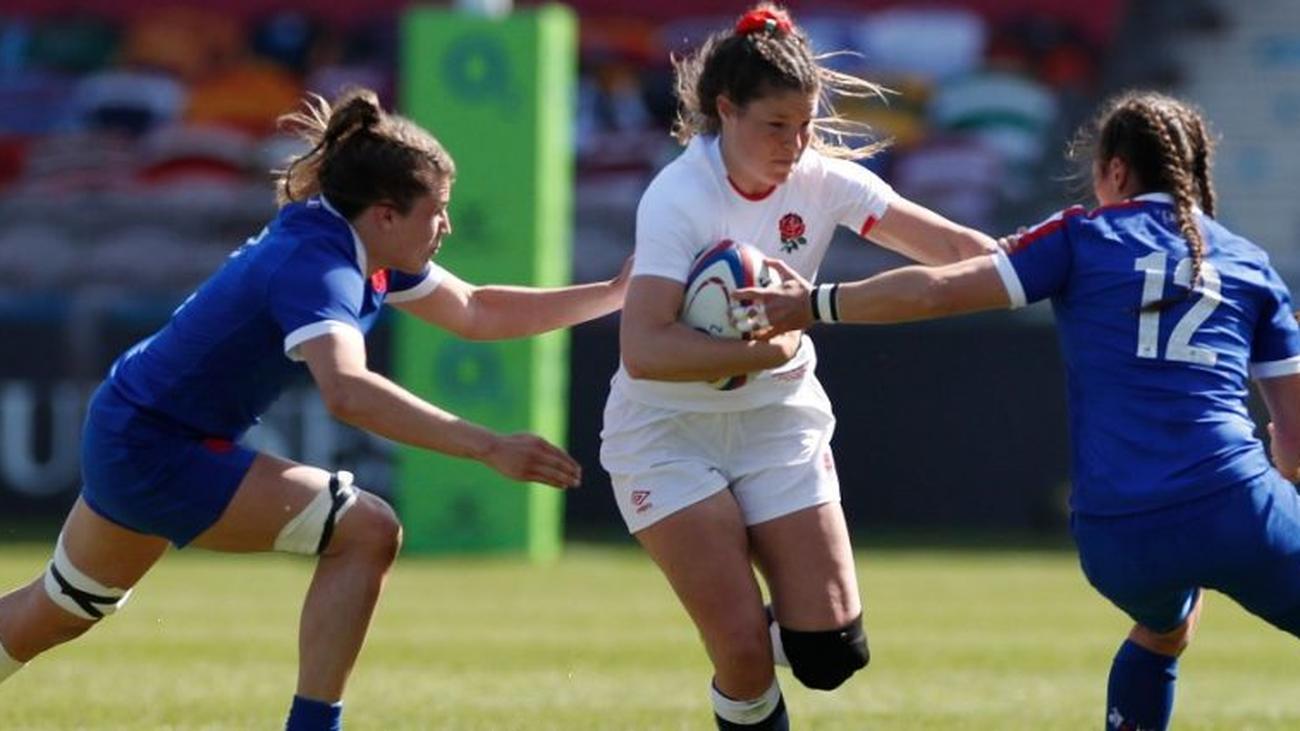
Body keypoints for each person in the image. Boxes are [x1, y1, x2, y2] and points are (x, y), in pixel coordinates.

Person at [0, 87, 629, 730]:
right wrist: (489, 445)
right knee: (367, 530)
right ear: (385, 214)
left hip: (130, 424)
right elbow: (347, 391)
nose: (447, 226)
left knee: (61, 608)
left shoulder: (352, 240)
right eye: (437, 210)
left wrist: (614, 293)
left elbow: (477, 310)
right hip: (156, 447)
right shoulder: (320, 264)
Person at [737, 90, 1300, 731]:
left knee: (1164, 623)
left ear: (1115, 171)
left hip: (1117, 536)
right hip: (1233, 504)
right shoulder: (1251, 265)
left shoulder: (1080, 237)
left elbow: (937, 290)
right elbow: (1295, 447)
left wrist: (815, 302)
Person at [601, 5, 996, 729]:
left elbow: (949, 245)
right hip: (667, 434)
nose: (796, 143)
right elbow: (644, 348)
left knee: (832, 654)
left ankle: (764, 619)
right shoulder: (679, 196)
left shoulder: (821, 179)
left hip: (776, 421)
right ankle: (741, 649)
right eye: (776, 126)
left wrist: (1053, 264)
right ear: (725, 111)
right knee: (745, 654)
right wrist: (766, 347)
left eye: (806, 124)